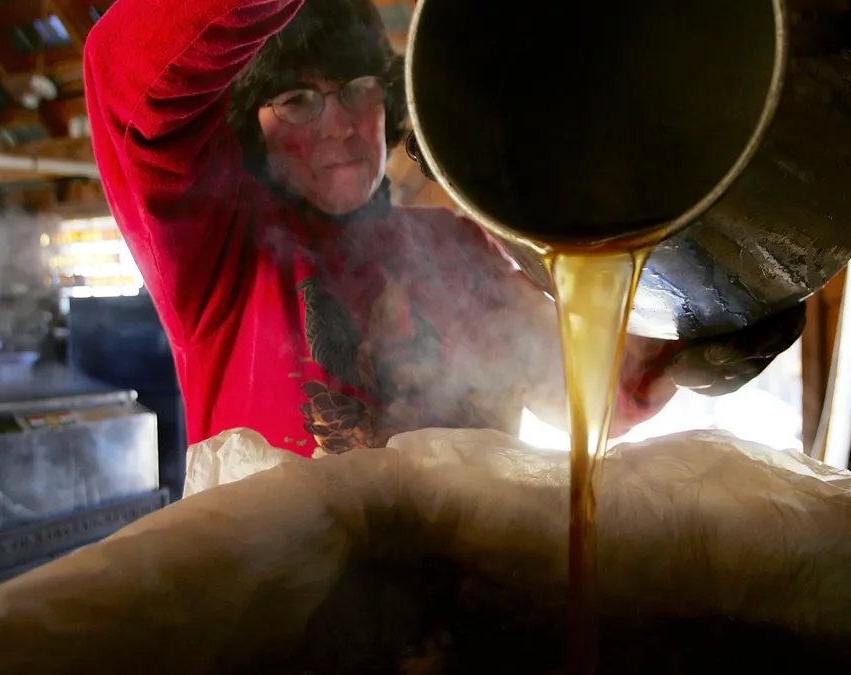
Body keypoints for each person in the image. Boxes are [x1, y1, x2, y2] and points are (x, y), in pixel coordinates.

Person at [84, 0, 803, 456]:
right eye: (298, 100)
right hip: (282, 636)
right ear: (251, 128)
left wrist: (692, 340)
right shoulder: (220, 251)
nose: (338, 125)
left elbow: (587, 386)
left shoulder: (457, 246)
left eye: (359, 89)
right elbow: (123, 72)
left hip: (470, 627)